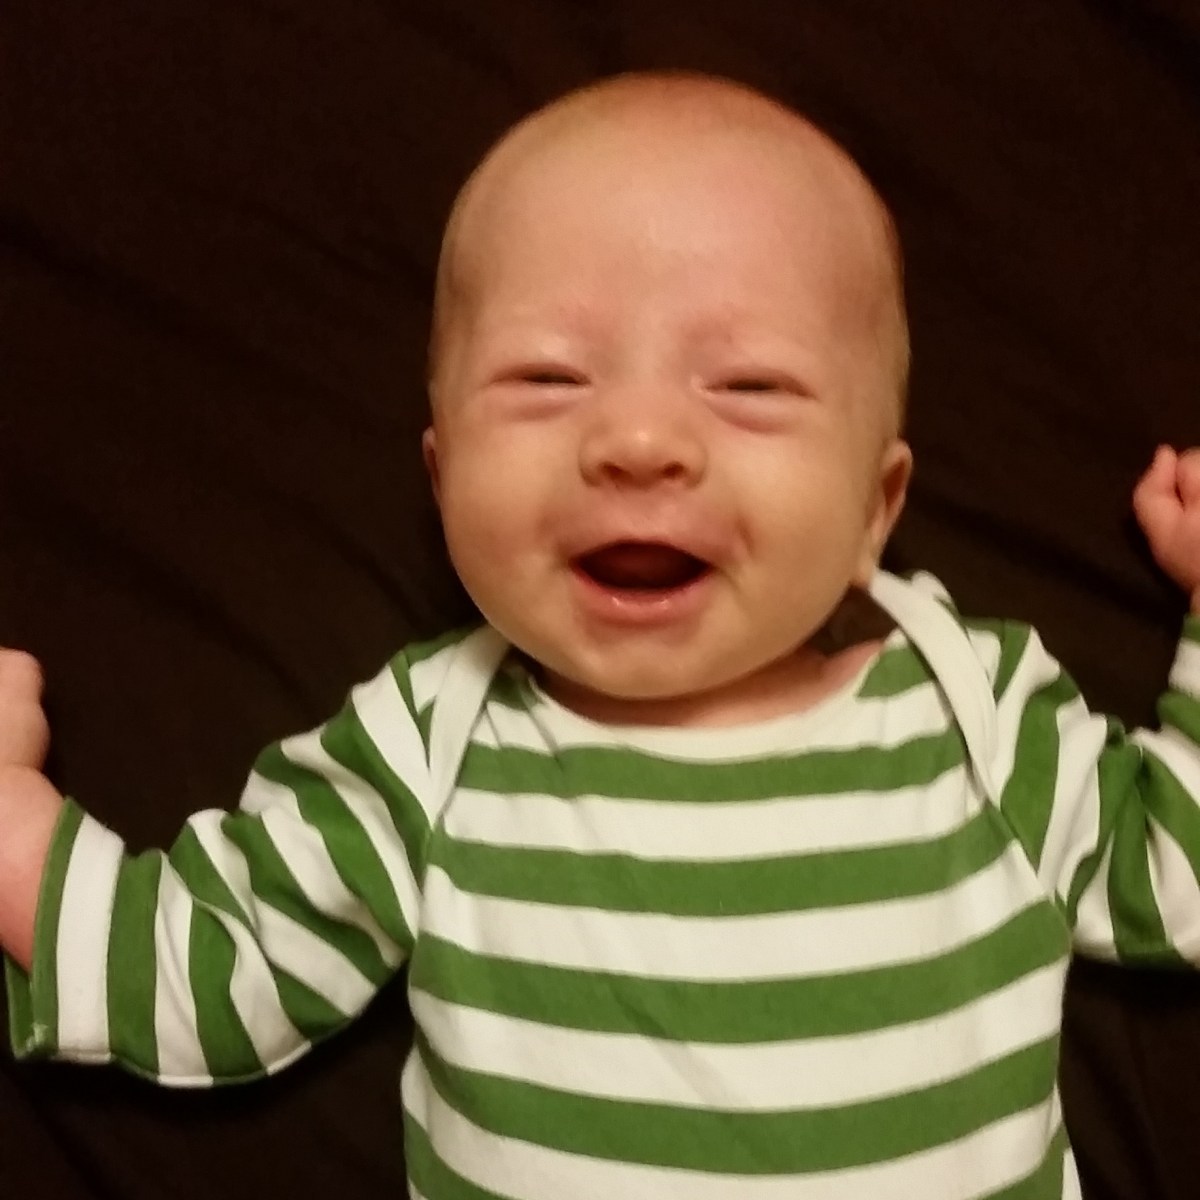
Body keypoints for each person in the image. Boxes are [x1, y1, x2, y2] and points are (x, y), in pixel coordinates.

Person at [1, 70, 1198, 1200]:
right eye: (548, 378)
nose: (636, 439)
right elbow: (205, 976)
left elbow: (1178, 873)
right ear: (443, 477)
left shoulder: (972, 705)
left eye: (749, 386)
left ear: (874, 510)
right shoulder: (430, 745)